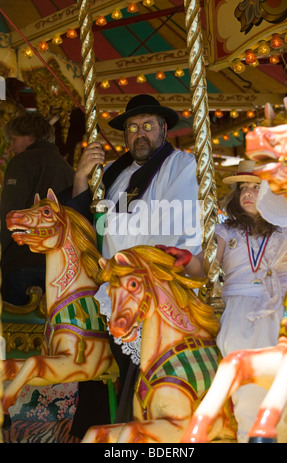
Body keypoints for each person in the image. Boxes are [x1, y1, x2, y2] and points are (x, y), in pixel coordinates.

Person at [67, 94, 203, 437]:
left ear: (164, 129)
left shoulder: (180, 165)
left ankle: (136, 434)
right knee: (103, 375)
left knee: (137, 380)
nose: (139, 133)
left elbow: (167, 224)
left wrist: (112, 224)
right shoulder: (114, 172)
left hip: (151, 290)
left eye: (147, 126)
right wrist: (83, 175)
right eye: (131, 127)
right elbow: (85, 225)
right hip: (109, 288)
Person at [160, 159, 287, 443]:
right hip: (239, 308)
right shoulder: (227, 231)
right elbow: (205, 265)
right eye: (243, 188)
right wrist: (188, 261)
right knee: (242, 368)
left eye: (255, 187)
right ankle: (250, 431)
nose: (247, 193)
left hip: (279, 309)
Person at [0, 112, 74, 305]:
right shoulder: (67, 167)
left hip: (23, 260)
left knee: (17, 328)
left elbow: (10, 213)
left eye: (14, 139)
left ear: (30, 136)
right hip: (59, 264)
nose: (12, 145)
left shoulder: (22, 162)